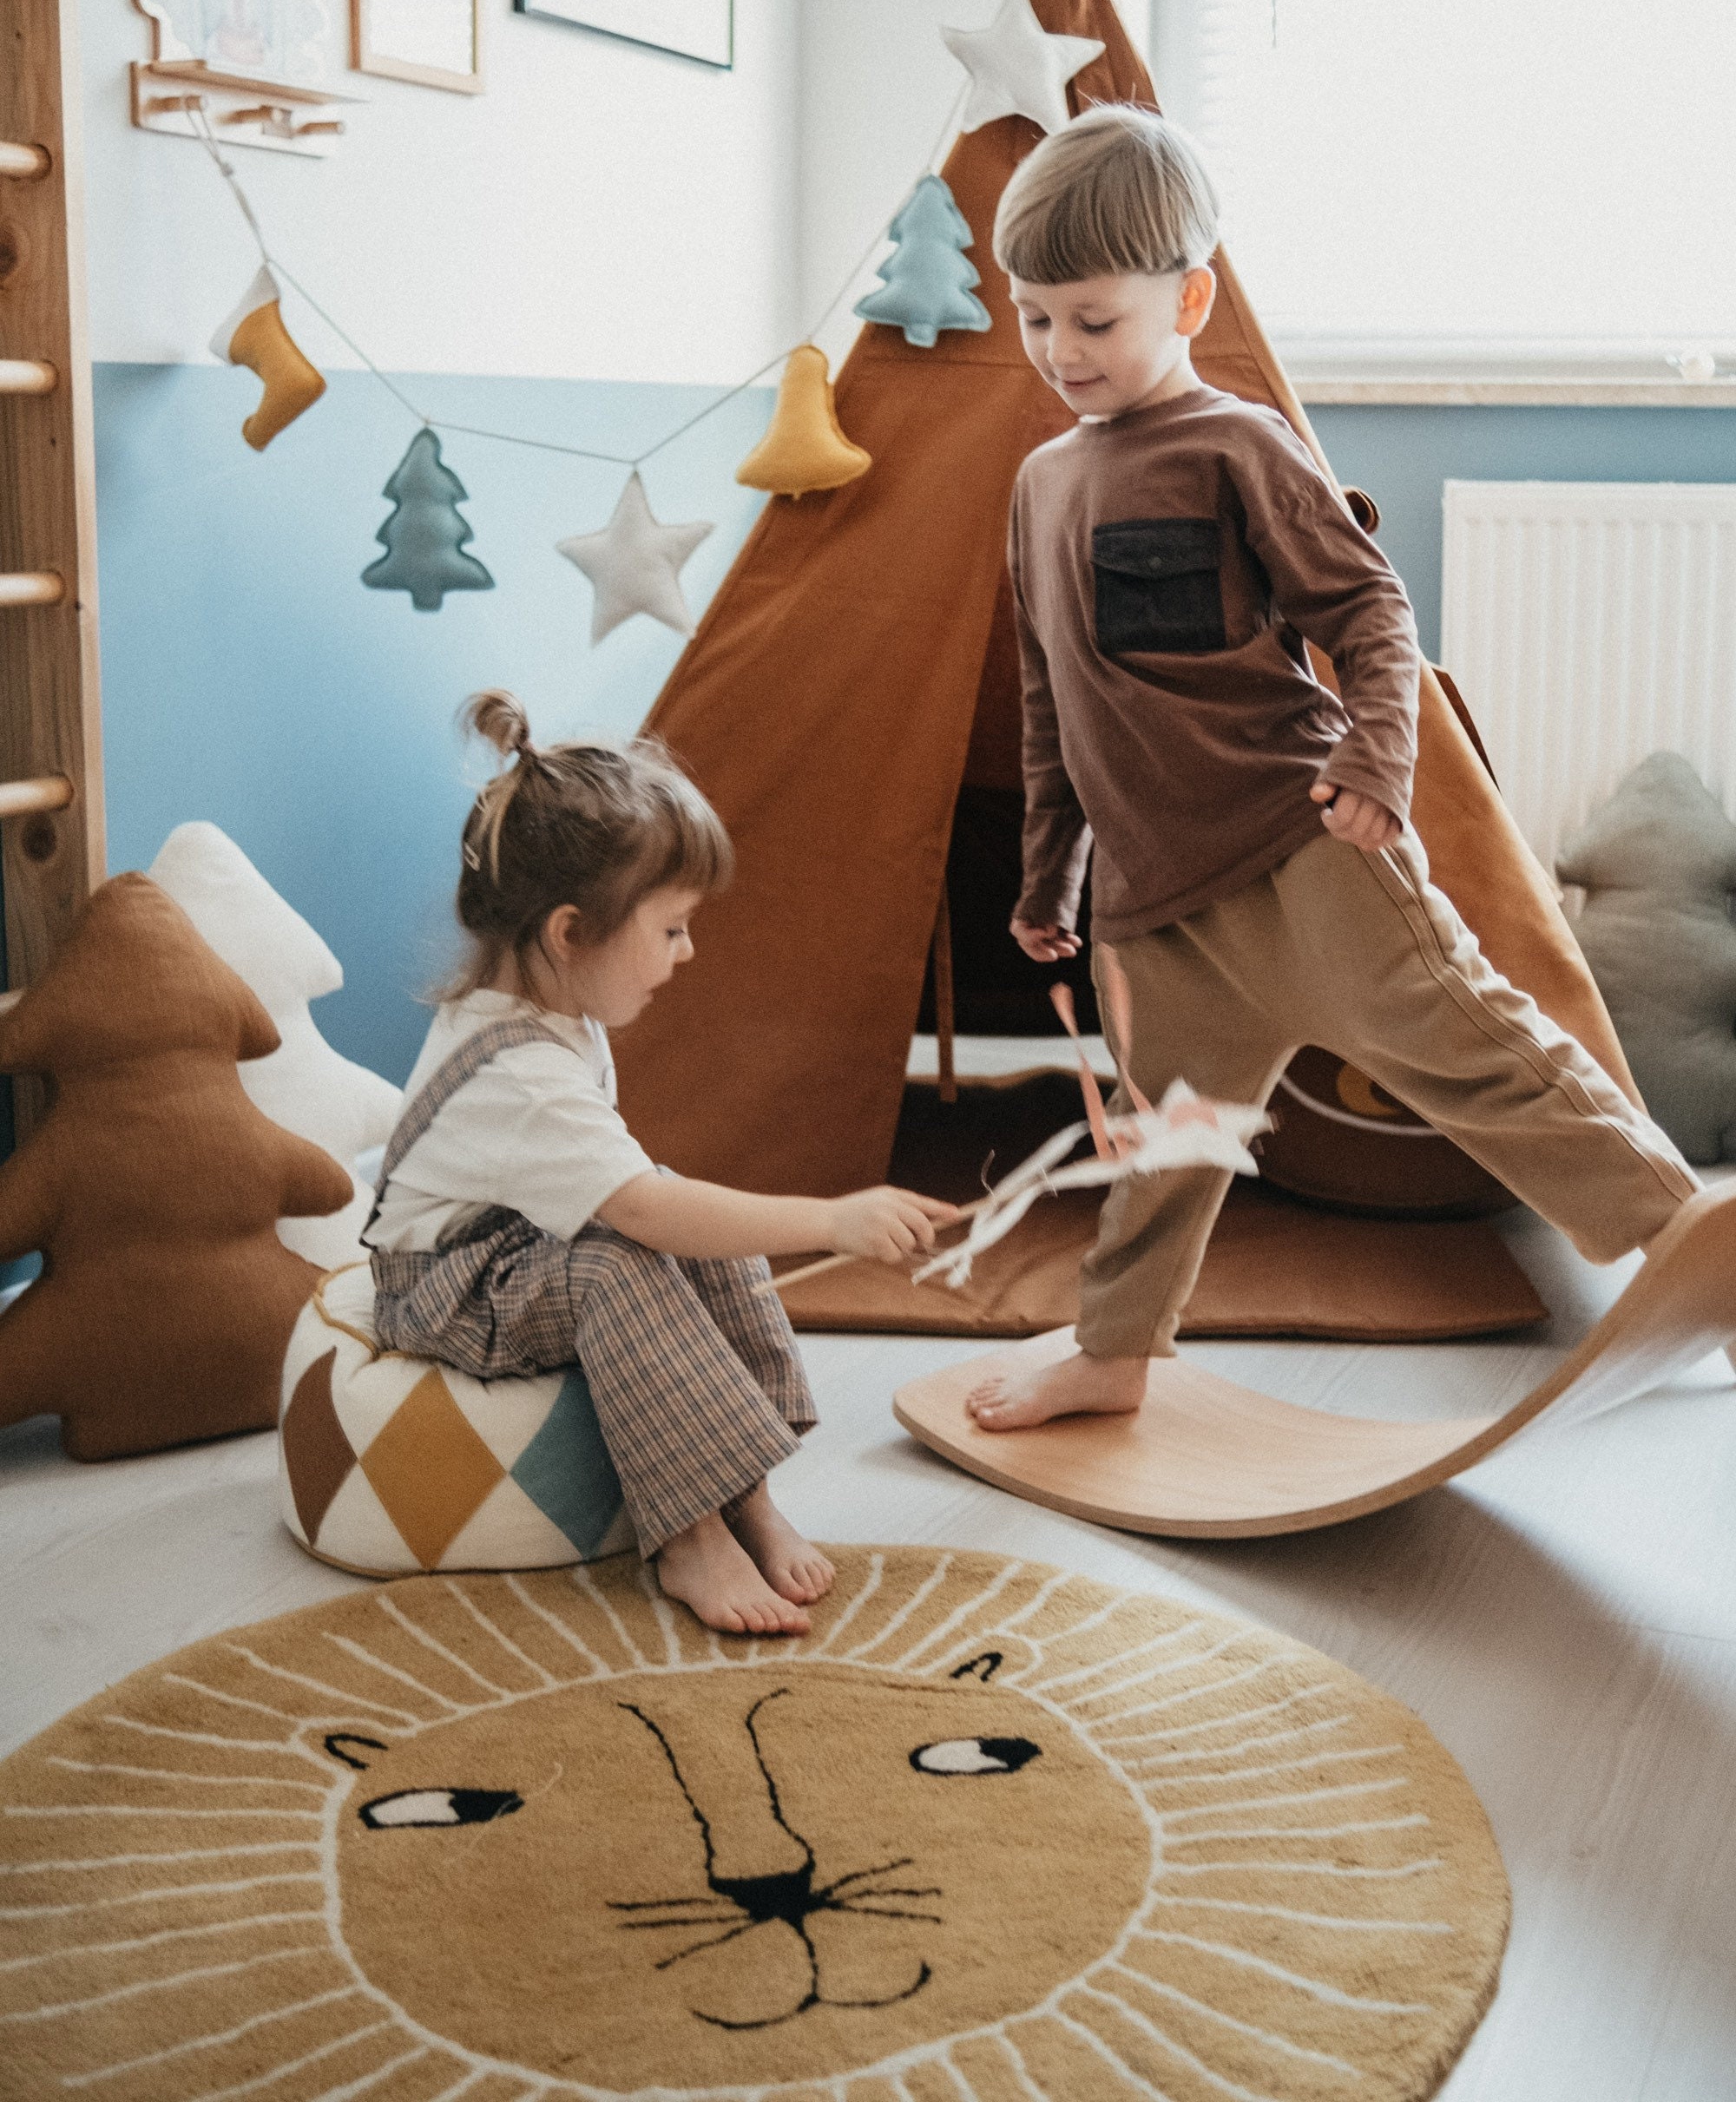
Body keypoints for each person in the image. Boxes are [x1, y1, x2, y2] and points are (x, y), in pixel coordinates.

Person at [963, 102, 1705, 1432]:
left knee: (1483, 1056)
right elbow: (1050, 697)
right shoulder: (1038, 485)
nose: (1062, 350)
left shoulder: (1237, 445)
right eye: (1036, 318)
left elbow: (1369, 613)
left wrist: (1376, 760)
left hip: (1307, 848)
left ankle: (1682, 1245)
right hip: (1160, 901)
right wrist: (1050, 874)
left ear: (1187, 299)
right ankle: (1117, 1350)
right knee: (1168, 1141)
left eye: (1095, 319)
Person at [367, 693, 952, 1632]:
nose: (688, 950)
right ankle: (689, 1536)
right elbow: (635, 1215)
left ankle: (741, 1489)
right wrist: (830, 1221)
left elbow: (644, 1201)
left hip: (516, 1248)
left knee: (678, 1211)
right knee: (629, 1252)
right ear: (569, 934)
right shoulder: (515, 1075)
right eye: (671, 927)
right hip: (444, 1286)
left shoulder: (556, 1010)